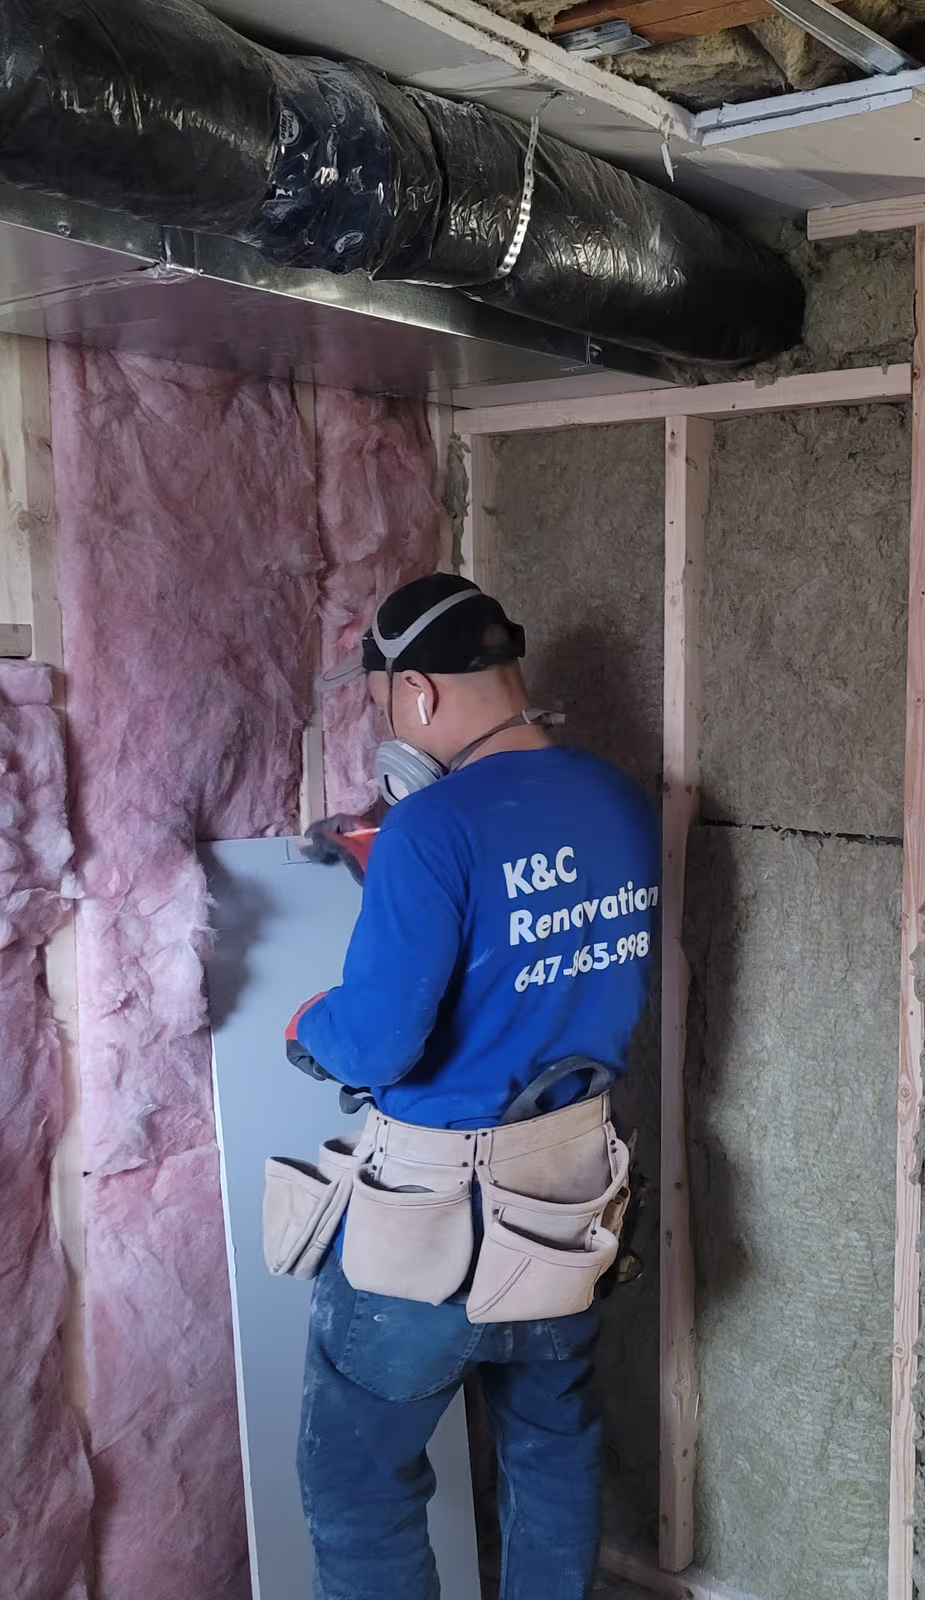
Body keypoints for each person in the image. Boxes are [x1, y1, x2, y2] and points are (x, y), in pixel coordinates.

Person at [284, 572, 659, 1600]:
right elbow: (541, 945)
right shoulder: (621, 798)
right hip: (574, 1193)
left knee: (359, 1474)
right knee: (549, 1441)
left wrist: (307, 1021)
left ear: (418, 693)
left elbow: (374, 1045)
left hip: (435, 1218)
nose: (385, 728)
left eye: (379, 707)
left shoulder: (432, 830)